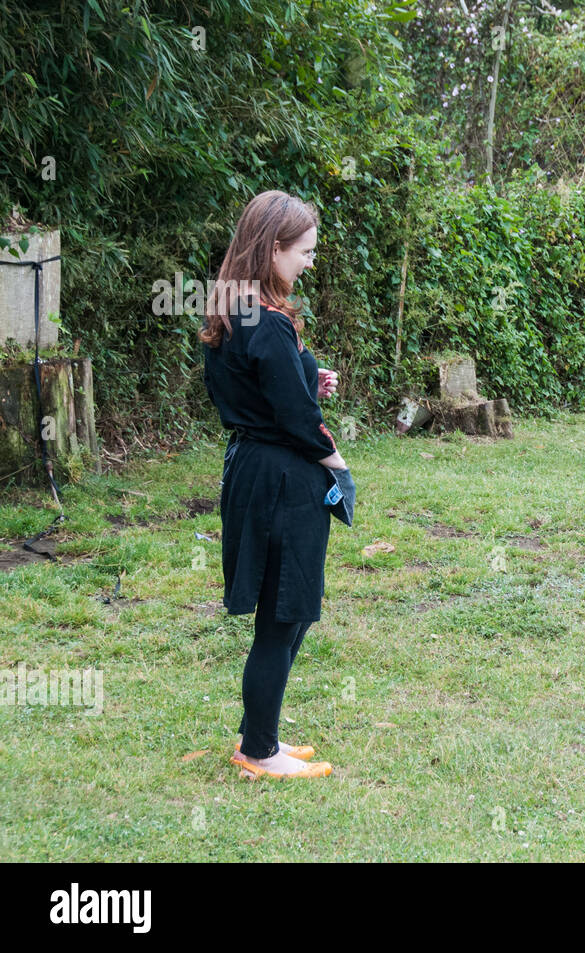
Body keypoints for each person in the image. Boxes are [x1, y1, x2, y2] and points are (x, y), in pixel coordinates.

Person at [200, 190, 348, 779]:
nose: (310, 262)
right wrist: (335, 463)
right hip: (283, 475)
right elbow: (291, 417)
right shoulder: (266, 320)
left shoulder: (234, 307)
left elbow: (262, 390)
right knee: (285, 612)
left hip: (253, 468)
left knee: (287, 610)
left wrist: (310, 376)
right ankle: (258, 751)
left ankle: (262, 737)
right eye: (305, 252)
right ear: (274, 248)